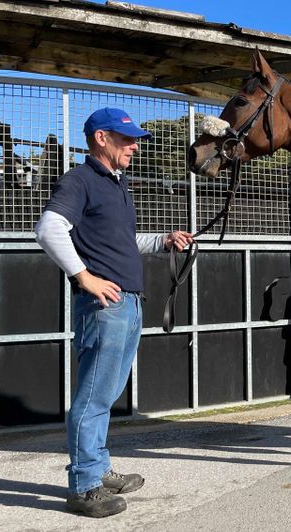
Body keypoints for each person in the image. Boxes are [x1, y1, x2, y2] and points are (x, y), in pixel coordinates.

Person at [34, 108, 193, 518]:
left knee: (106, 394)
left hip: (128, 304)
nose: (135, 146)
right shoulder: (80, 180)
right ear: (101, 138)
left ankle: (99, 469)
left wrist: (163, 240)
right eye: (127, 139)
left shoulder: (117, 185)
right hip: (103, 306)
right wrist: (84, 277)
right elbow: (49, 228)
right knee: (92, 396)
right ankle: (84, 485)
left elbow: (122, 240)